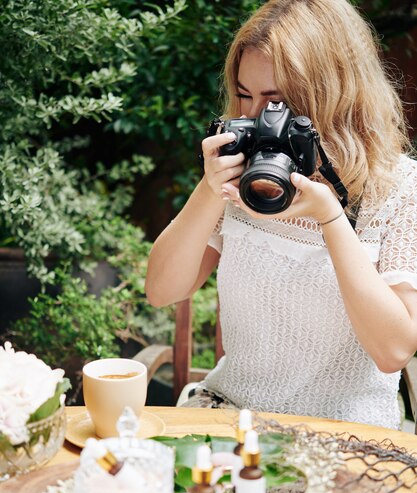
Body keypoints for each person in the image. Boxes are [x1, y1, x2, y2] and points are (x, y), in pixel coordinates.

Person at [145, 0, 417, 429]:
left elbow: (393, 351)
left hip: (345, 431)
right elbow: (161, 290)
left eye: (276, 103)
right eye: (244, 96)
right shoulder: (240, 170)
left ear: (333, 94)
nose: (256, 119)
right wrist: (209, 188)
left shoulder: (395, 187)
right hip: (234, 417)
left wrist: (330, 217)